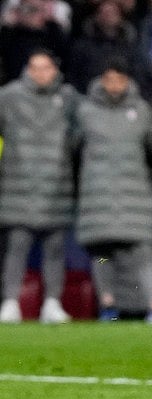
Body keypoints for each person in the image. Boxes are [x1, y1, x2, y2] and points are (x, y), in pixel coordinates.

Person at [74, 59, 152, 322]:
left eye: (119, 80)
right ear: (102, 81)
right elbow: (74, 148)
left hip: (134, 192)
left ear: (128, 82)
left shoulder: (142, 111)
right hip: (97, 191)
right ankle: (108, 306)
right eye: (109, 79)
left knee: (142, 252)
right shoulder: (85, 111)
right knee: (101, 253)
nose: (114, 85)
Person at [0, 50, 78, 324]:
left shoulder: (68, 99)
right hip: (18, 185)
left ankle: (52, 303)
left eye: (46, 68)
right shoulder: (9, 97)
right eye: (35, 68)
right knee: (16, 247)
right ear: (27, 70)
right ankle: (10, 302)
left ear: (54, 71)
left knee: (55, 249)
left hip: (57, 186)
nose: (40, 73)